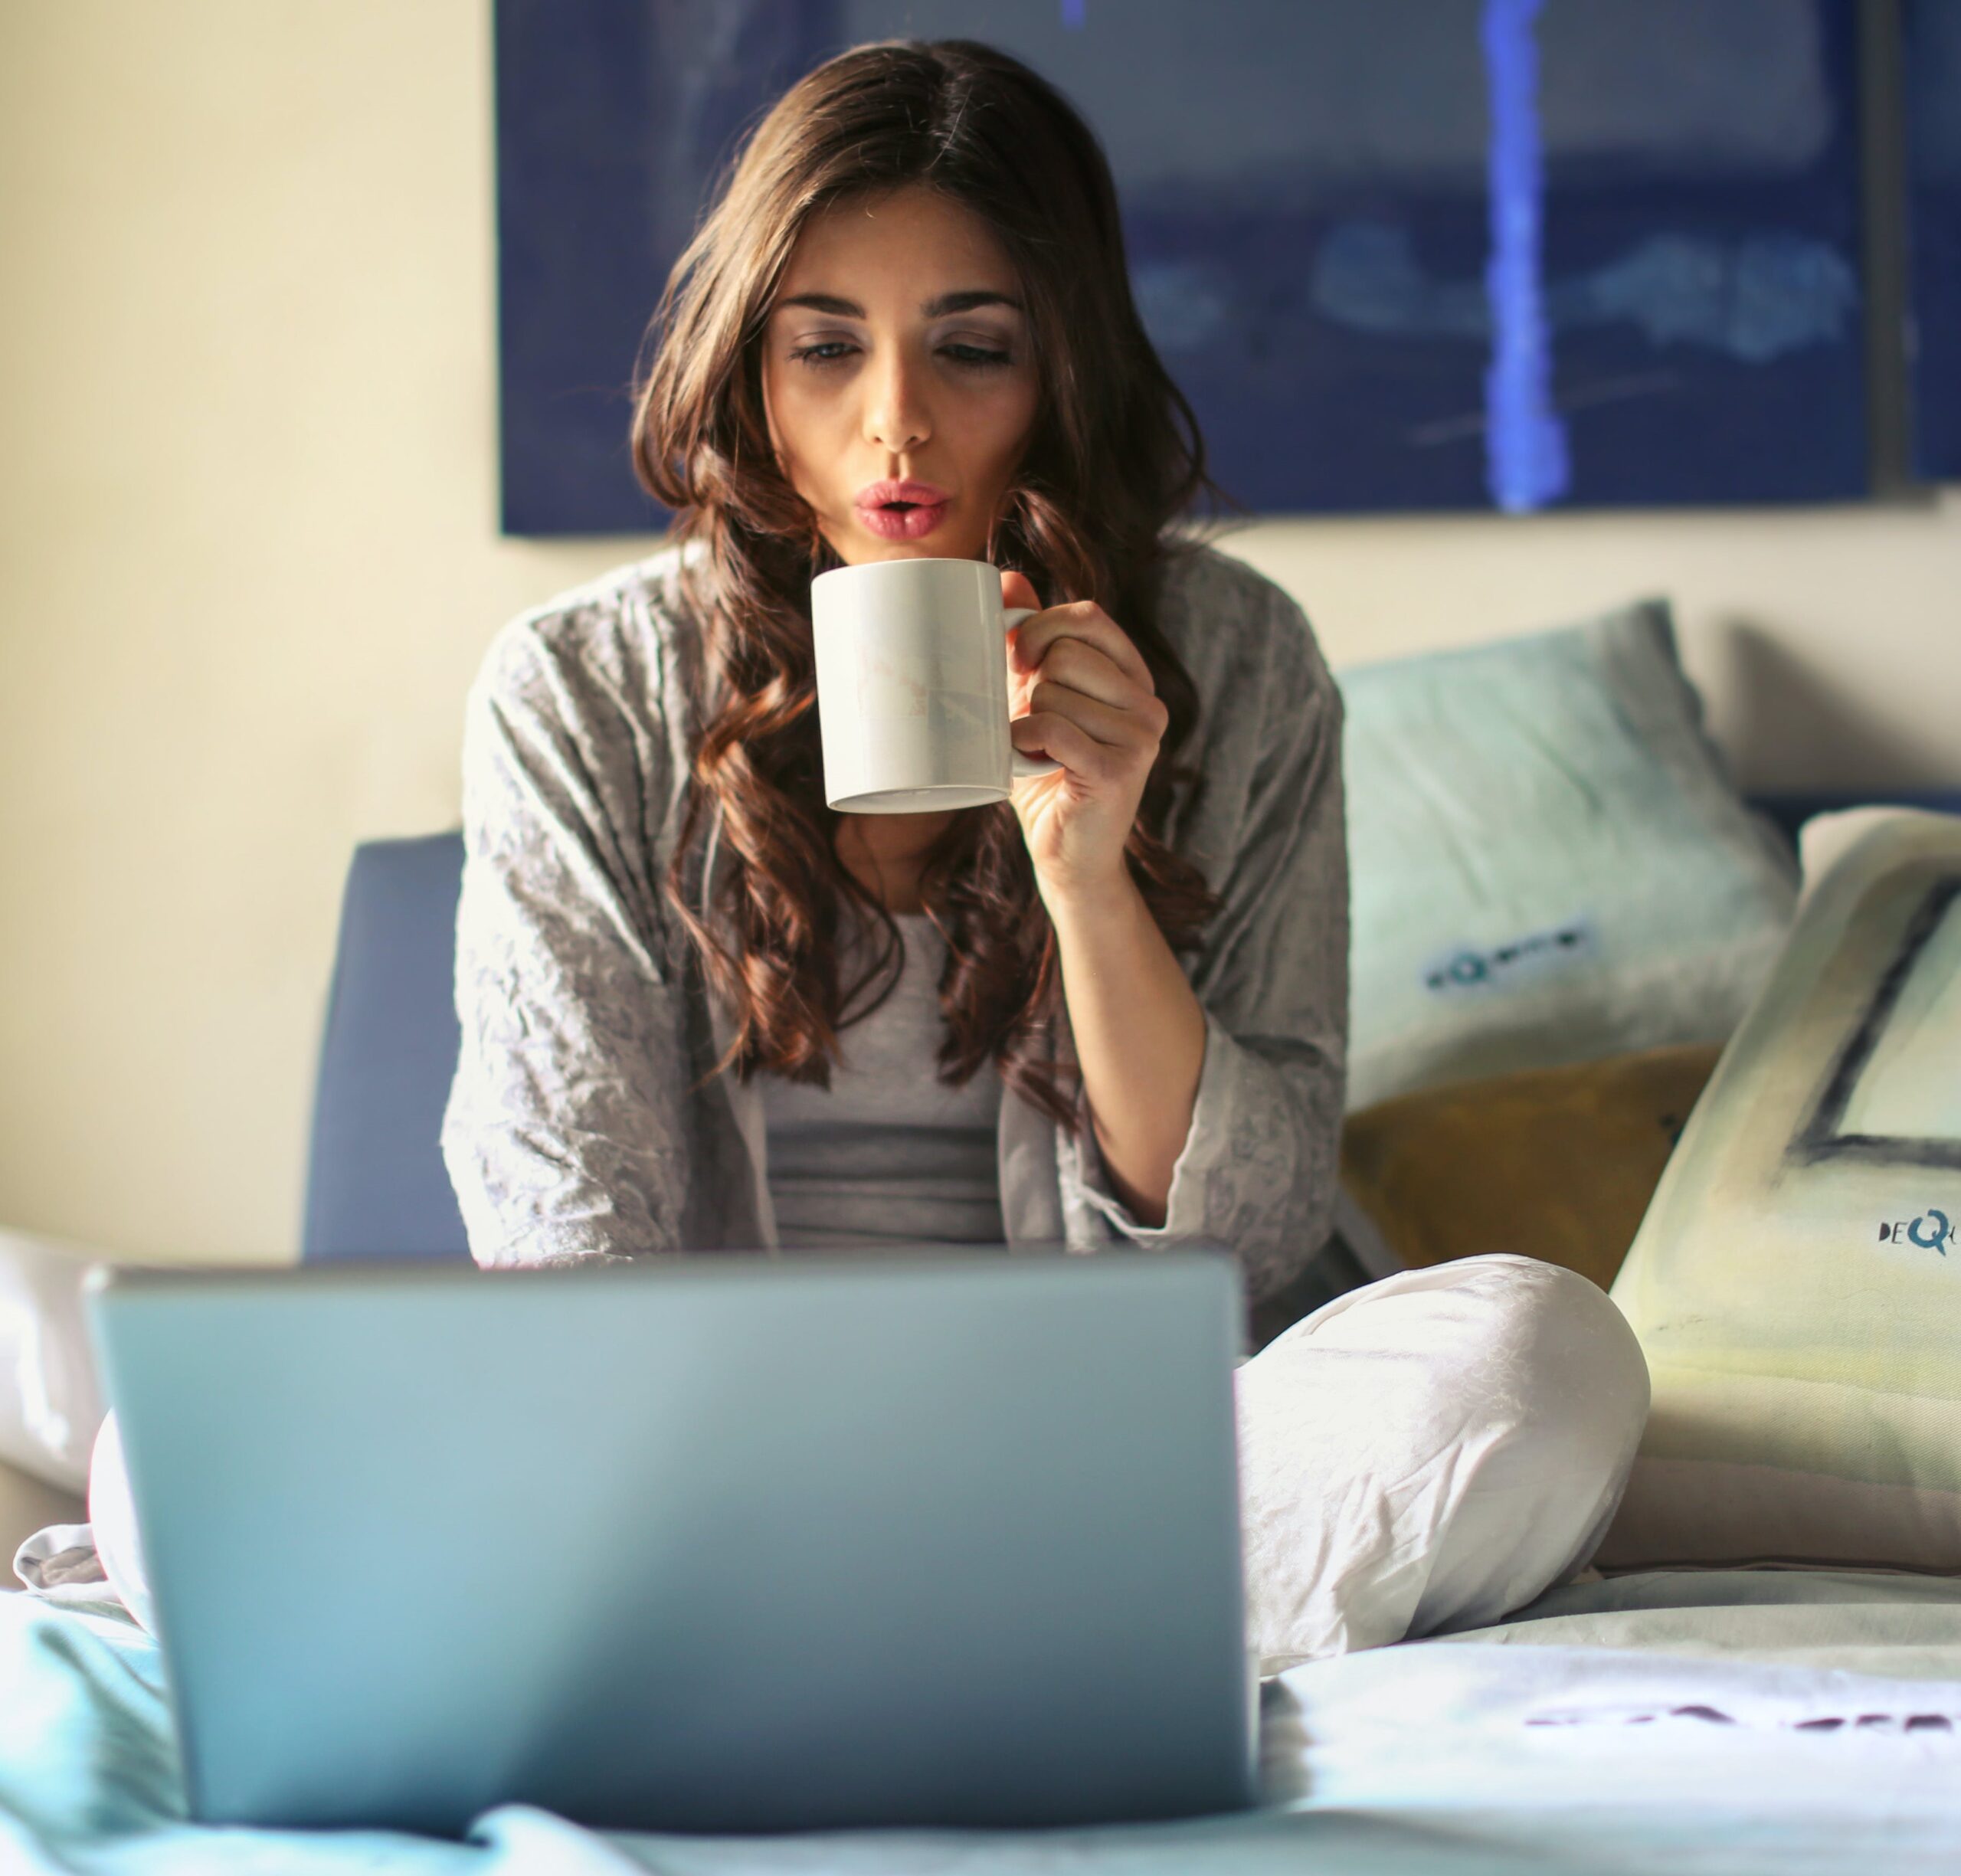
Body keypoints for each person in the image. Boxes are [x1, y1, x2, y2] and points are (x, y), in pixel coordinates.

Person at [85, 40, 1649, 1669]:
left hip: (1111, 1464)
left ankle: (786, 1637)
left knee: (1542, 1360)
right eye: (824, 347)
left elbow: (1243, 1235)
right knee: (168, 1461)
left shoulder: (1237, 667)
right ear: (748, 372)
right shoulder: (582, 692)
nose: (893, 423)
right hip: (695, 1463)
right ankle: (966, 1630)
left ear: (1064, 371)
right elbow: (563, 1221)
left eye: (970, 349)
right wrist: (689, 1467)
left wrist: (1090, 869)